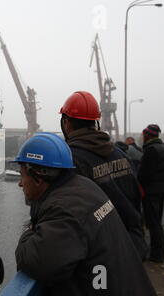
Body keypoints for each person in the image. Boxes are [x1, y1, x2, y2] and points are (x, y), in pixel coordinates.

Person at [13, 132, 157, 296]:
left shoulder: (65, 209)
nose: (20, 183)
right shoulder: (85, 186)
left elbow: (35, 262)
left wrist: (28, 232)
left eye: (22, 175)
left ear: (38, 177)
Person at [59, 91, 147, 260]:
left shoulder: (69, 159)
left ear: (66, 123)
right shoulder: (121, 154)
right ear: (96, 122)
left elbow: (66, 216)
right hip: (133, 246)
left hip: (101, 256)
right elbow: (136, 197)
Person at [138, 125, 164, 263]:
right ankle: (159, 252)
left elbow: (145, 174)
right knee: (157, 222)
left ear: (148, 135)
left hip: (151, 191)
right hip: (162, 190)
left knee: (153, 224)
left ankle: (157, 254)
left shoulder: (151, 150)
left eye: (144, 134)